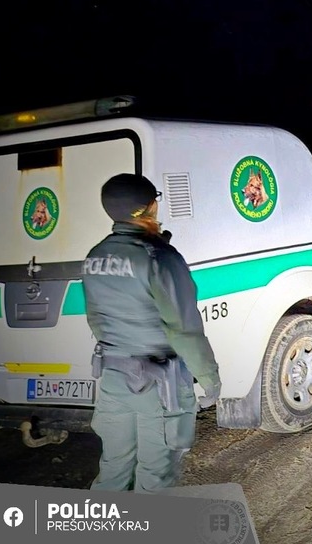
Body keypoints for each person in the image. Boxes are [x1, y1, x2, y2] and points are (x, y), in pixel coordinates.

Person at [82, 173, 222, 492]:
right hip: (159, 384)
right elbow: (184, 328)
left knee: (114, 469)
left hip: (114, 380)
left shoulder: (96, 256)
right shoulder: (158, 256)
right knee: (155, 476)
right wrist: (210, 378)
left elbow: (96, 319)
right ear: (152, 206)